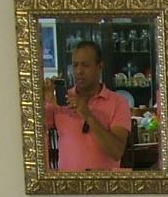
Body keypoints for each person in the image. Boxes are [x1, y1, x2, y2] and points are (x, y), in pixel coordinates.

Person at [42, 41, 130, 171]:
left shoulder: (118, 103)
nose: (79, 71)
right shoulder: (60, 101)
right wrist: (43, 100)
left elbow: (116, 151)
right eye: (75, 65)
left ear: (100, 67)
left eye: (85, 65)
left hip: (103, 182)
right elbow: (33, 133)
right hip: (67, 182)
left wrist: (87, 115)